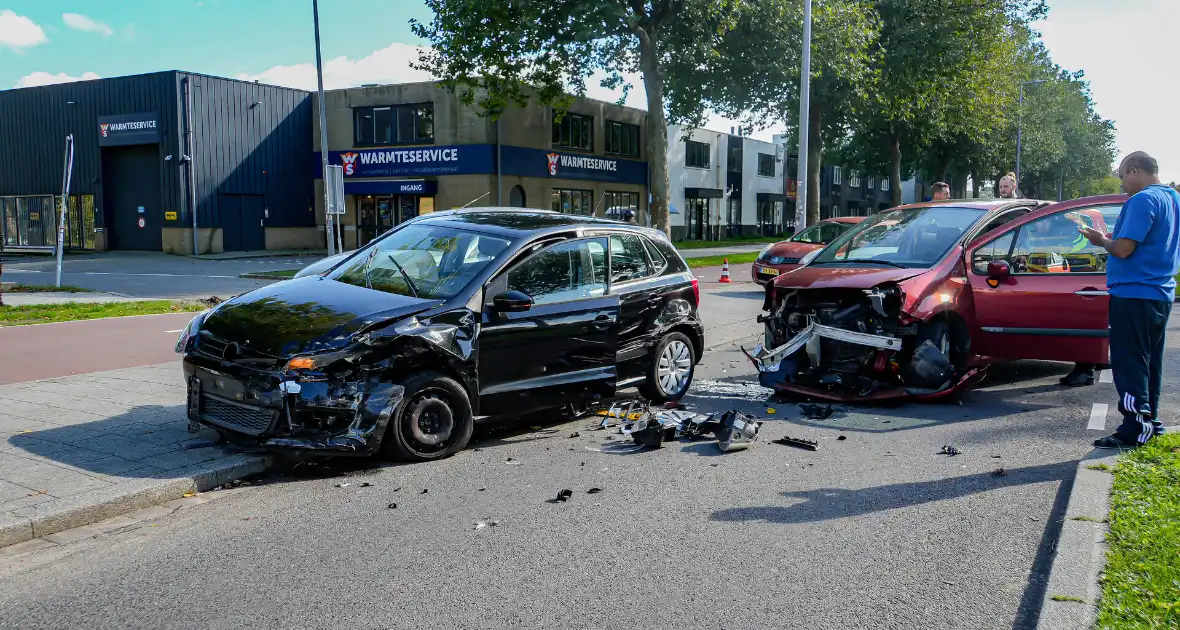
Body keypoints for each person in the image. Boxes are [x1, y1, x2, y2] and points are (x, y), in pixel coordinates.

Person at [1079, 151, 1180, 447]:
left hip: (1134, 292)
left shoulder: (1142, 200)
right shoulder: (1172, 198)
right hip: (1159, 291)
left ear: (1135, 171)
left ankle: (1135, 427)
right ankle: (1150, 421)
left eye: (1122, 175)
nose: (1121, 182)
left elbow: (1123, 250)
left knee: (1129, 361)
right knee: (1150, 362)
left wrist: (1101, 241)